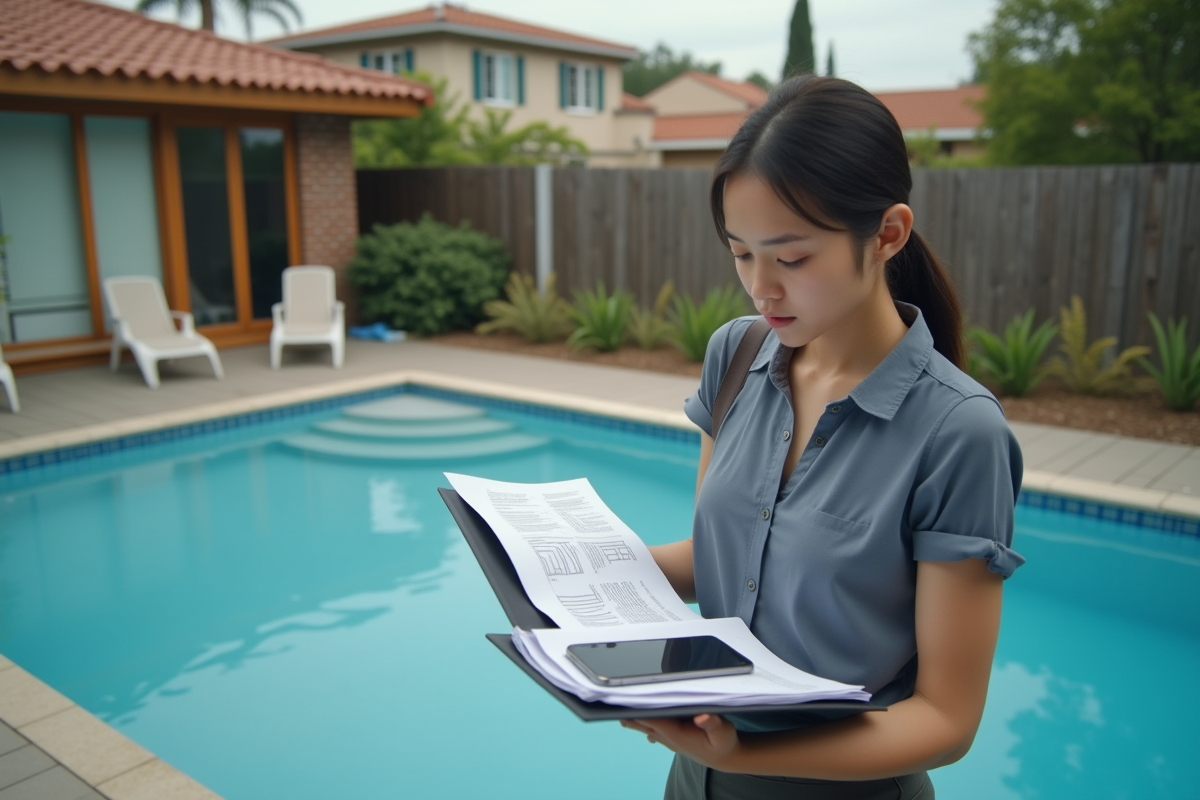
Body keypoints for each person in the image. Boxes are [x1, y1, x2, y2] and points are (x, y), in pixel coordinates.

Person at [622, 74, 1026, 799]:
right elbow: (721, 554)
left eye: (792, 257)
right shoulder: (737, 356)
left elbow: (945, 719)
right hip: (696, 779)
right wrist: (585, 572)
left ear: (887, 235)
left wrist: (743, 758)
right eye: (741, 252)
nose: (761, 288)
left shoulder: (958, 434)